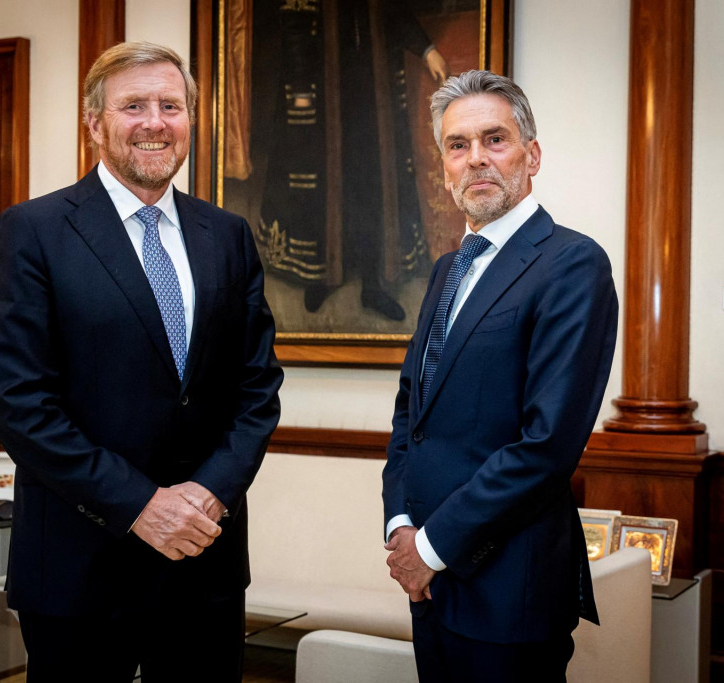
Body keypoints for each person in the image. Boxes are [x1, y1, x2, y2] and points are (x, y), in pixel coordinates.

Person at [0, 41, 283, 682]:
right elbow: (19, 405)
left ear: (190, 122)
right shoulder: (33, 231)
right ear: (95, 122)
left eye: (171, 106)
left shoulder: (226, 235)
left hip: (204, 562)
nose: (155, 122)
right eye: (134, 105)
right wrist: (142, 506)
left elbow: (256, 388)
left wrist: (206, 494)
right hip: (79, 566)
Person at [381, 70, 618, 682]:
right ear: (443, 168)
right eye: (458, 146)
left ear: (531, 155)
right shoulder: (445, 270)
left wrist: (430, 549)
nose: (476, 159)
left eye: (495, 139)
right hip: (429, 587)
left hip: (509, 590)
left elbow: (546, 447)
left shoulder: (572, 263)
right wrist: (401, 525)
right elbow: (413, 415)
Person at [253, 0, 449, 321]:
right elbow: (294, 26)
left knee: (373, 182)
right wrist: (301, 89)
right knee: (325, 185)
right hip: (321, 91)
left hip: (374, 92)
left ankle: (373, 285)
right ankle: (326, 275)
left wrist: (427, 49)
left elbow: (394, 12)